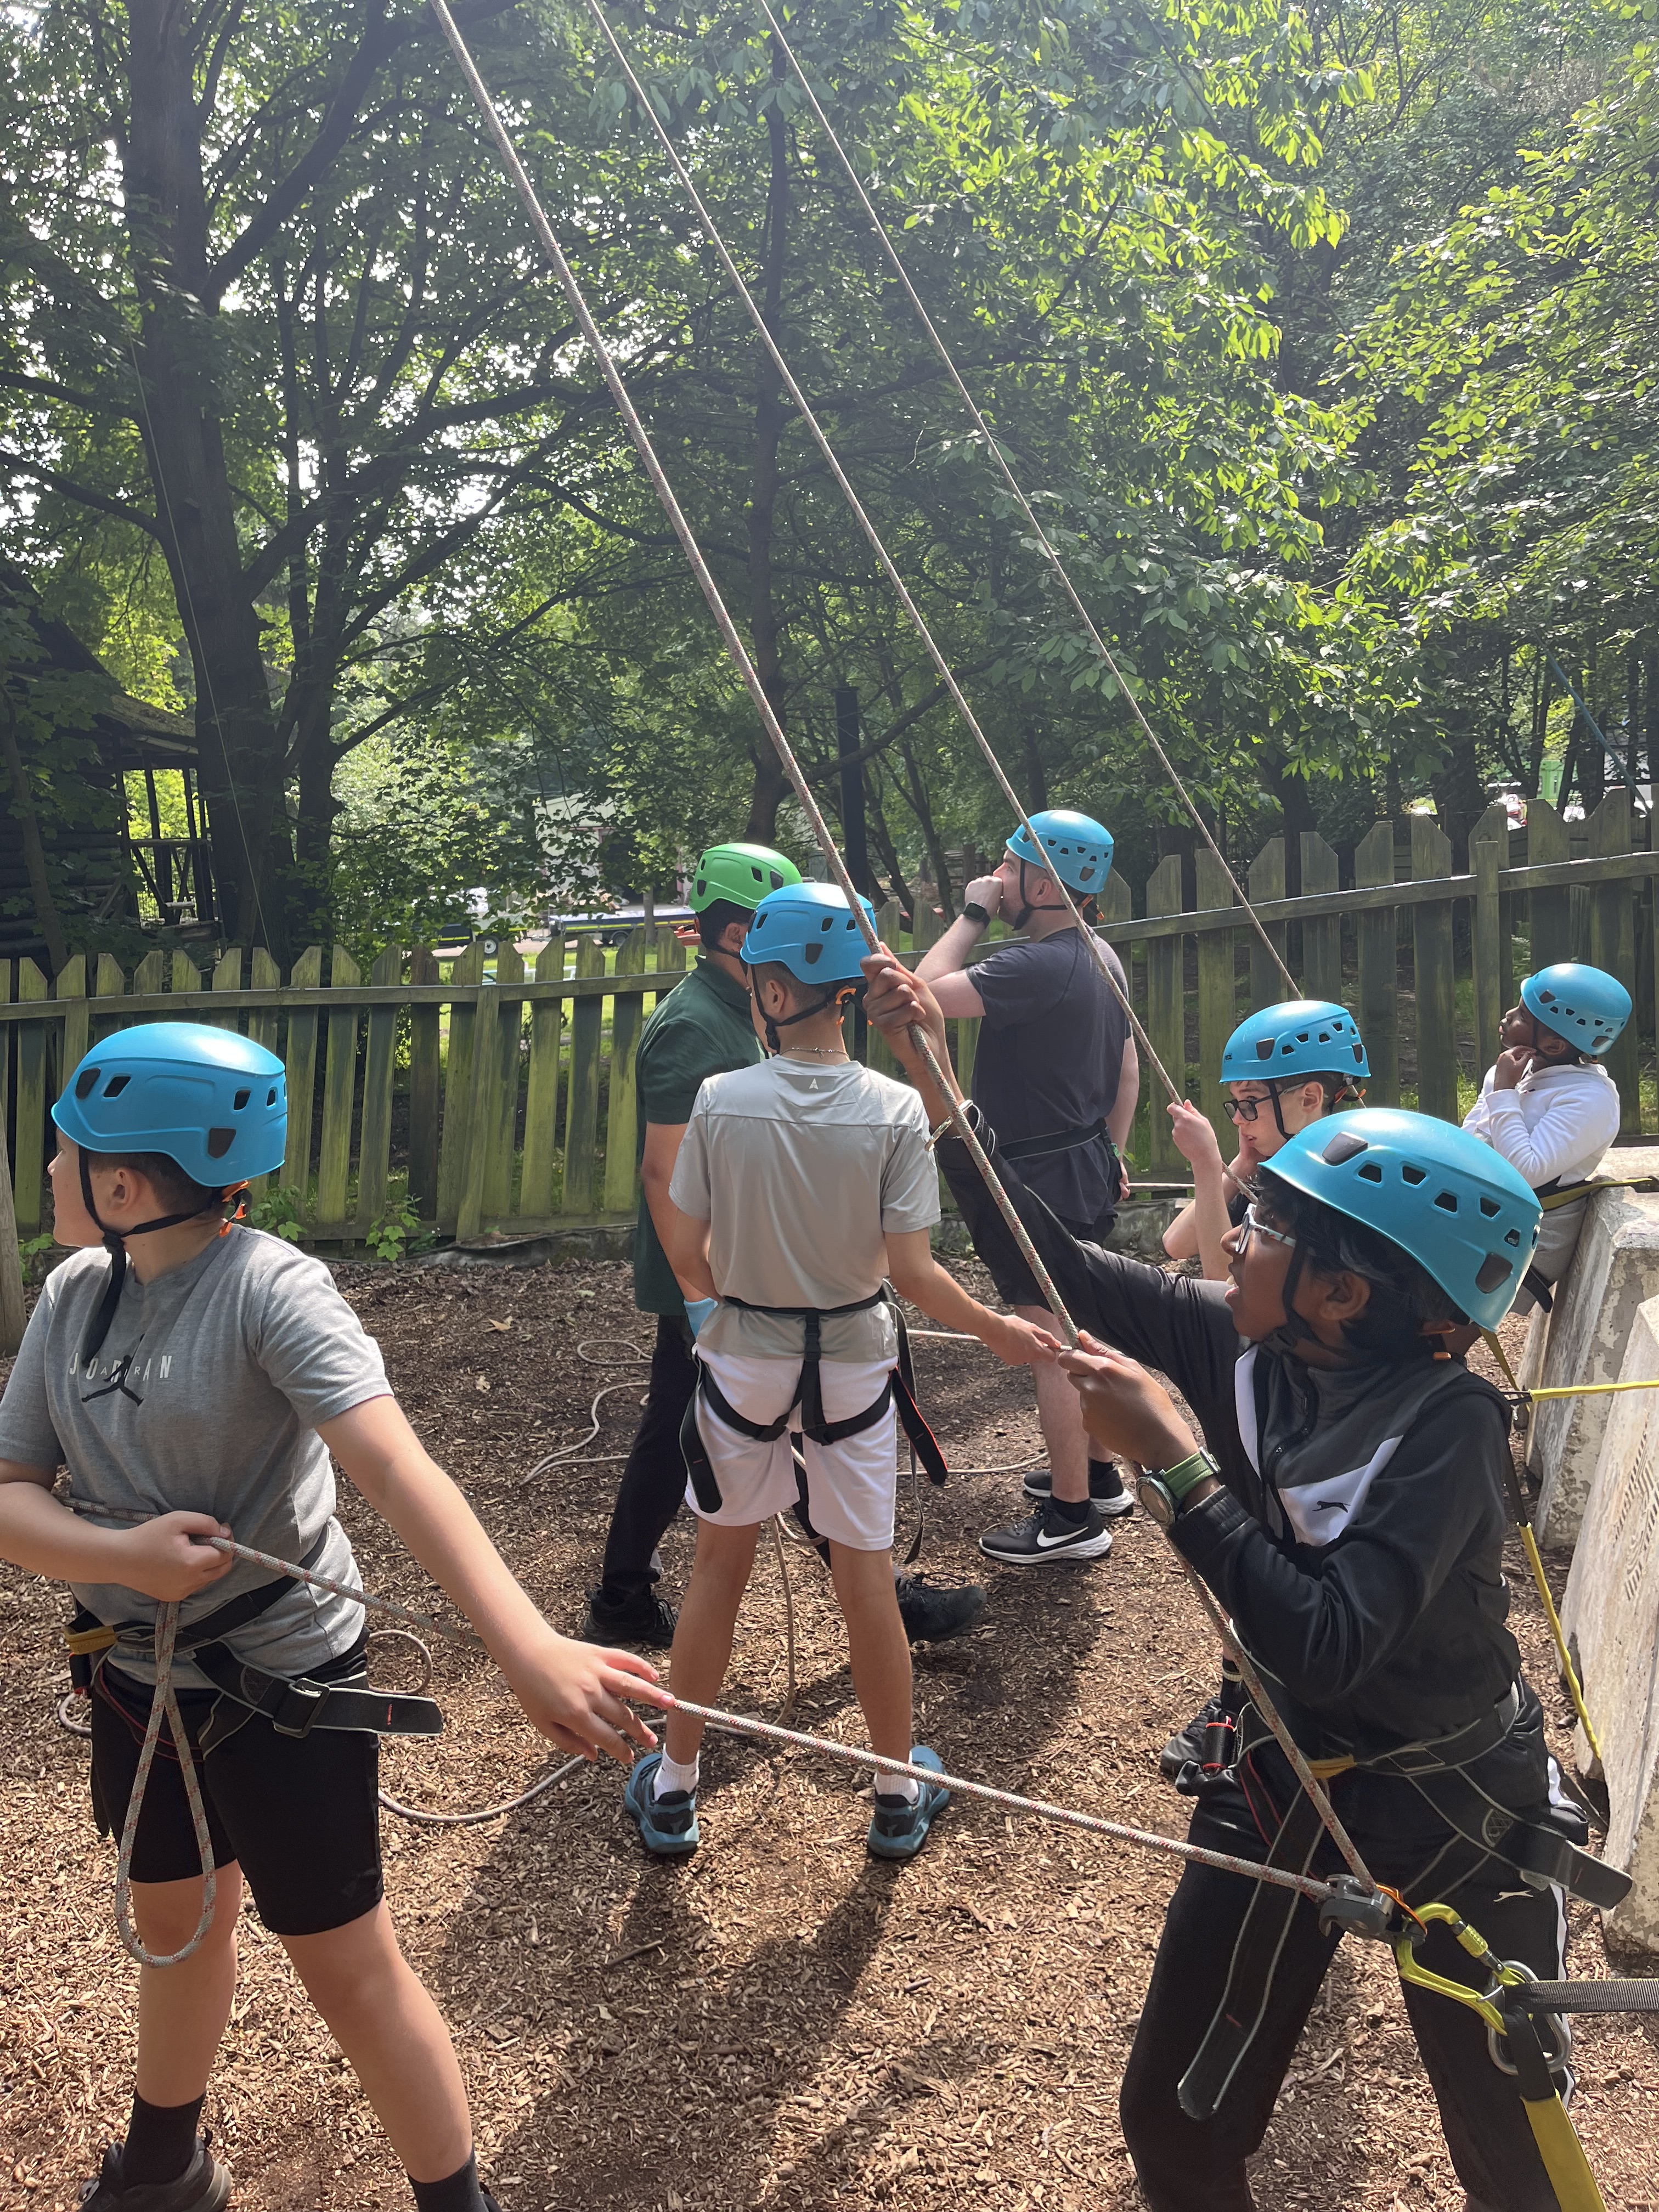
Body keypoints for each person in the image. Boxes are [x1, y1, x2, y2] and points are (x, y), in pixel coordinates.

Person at [862, 952, 1623, 2212]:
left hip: (1454, 1804)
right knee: (1176, 2120)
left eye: (1268, 1226)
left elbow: (1329, 1640)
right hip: (1283, 1771)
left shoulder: (1448, 1428)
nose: (1234, 1236)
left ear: (1344, 1293)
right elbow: (1050, 1266)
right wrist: (939, 1084)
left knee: (1512, 2156)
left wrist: (1178, 1464)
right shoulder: (1243, 1340)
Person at [0, 1023, 667, 2212]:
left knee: (345, 1963)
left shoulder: (270, 1290)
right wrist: (122, 1559)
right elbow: (10, 1496)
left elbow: (400, 1471)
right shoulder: (70, 1297)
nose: (49, 1169)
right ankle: (164, 2165)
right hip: (136, 1682)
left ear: (122, 1185)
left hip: (280, 1686)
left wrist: (525, 1646)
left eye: (66, 1152)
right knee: (178, 1918)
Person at [621, 885, 1053, 1864]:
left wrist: (737, 1291)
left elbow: (685, 1247)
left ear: (776, 993)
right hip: (855, 1361)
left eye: (757, 983)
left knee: (717, 1568)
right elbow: (914, 1273)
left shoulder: (722, 1100)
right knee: (864, 1579)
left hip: (744, 1355)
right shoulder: (895, 1109)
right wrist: (998, 1332)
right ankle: (895, 1793)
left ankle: (677, 1785)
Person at [582, 841, 986, 1651]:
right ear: (737, 934)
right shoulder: (694, 1027)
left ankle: (630, 1594)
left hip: (746, 1272)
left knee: (741, 1419)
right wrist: (699, 1297)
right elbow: (663, 1169)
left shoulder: (745, 1009)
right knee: (711, 1427)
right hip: (718, 1278)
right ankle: (876, 1597)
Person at [914, 807, 1138, 1565]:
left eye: (1009, 868)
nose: (997, 877)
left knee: (1051, 1345)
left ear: (1044, 887)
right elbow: (1127, 1068)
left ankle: (1072, 1519)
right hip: (1084, 1166)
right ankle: (1099, 1474)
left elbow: (916, 999)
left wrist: (973, 913)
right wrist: (1113, 1148)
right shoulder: (1101, 954)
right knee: (1083, 1325)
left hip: (1040, 1179)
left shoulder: (1037, 965)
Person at [1462, 961, 1628, 1315]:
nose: (1509, 1015)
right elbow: (1471, 1138)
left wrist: (1504, 1092)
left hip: (1526, 1235)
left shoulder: (1589, 1099)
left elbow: (1525, 1173)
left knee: (1433, 1323)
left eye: (1523, 1015)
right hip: (1481, 1211)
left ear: (1553, 1045)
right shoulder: (1513, 1070)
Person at [1163, 1000, 1369, 1280]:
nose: (1238, 1118)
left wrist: (1206, 1165)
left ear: (1309, 1099)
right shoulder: (1277, 1168)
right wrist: (1242, 1163)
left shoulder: (1321, 1190)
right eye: (1236, 1103)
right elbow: (1176, 1244)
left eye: (1250, 1101)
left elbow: (1224, 1287)